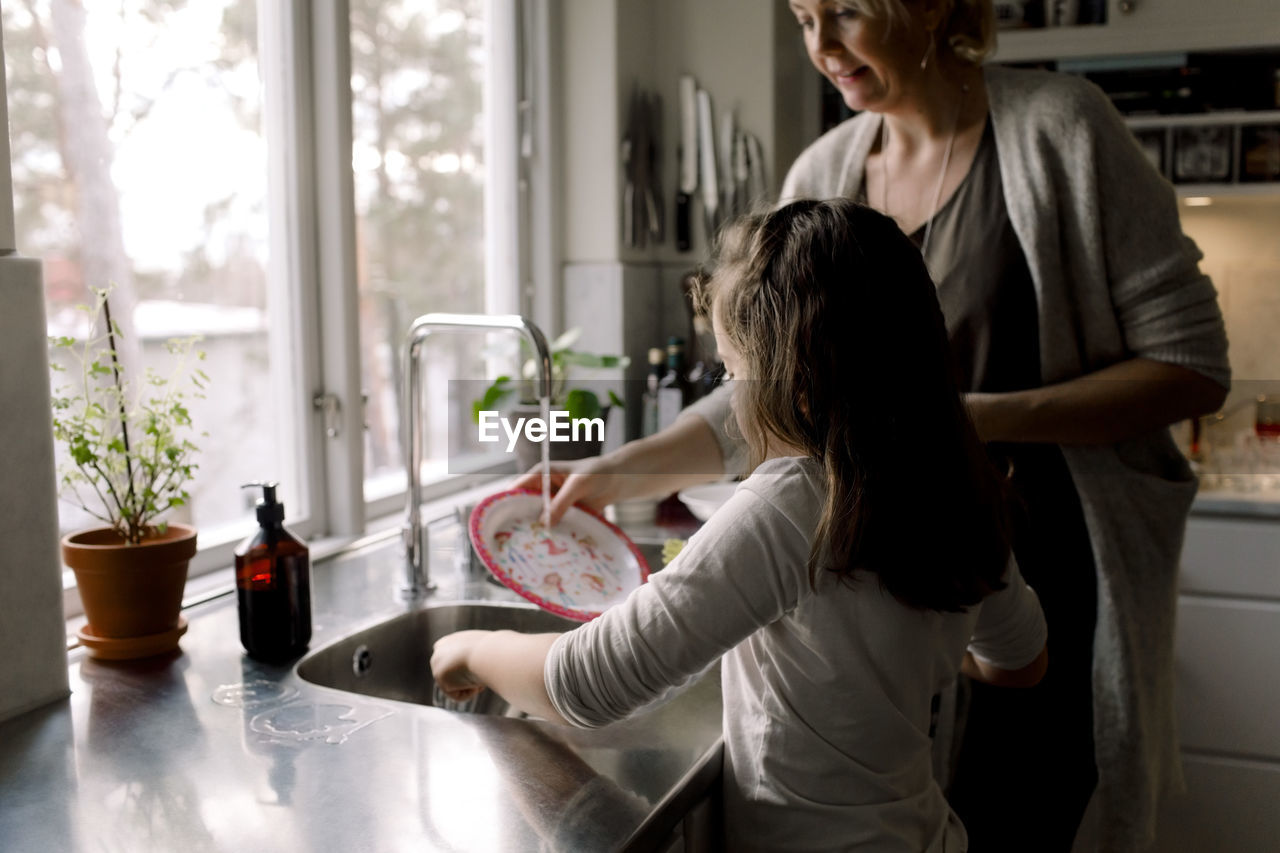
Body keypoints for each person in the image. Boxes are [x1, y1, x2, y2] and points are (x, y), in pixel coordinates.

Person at [514, 2, 1231, 850]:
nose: (819, 46)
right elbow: (769, 374)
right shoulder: (828, 167)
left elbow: (1194, 365)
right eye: (802, 16)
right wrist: (630, 467)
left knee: (1025, 809)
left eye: (846, 10)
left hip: (1035, 566)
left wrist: (970, 418)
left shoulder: (1062, 132)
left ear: (928, 5)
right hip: (897, 581)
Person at [433, 199, 1049, 852]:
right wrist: (909, 644)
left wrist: (474, 646)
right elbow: (1022, 661)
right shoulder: (955, 484)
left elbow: (593, 680)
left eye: (733, 372)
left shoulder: (792, 504)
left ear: (800, 386)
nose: (731, 399)